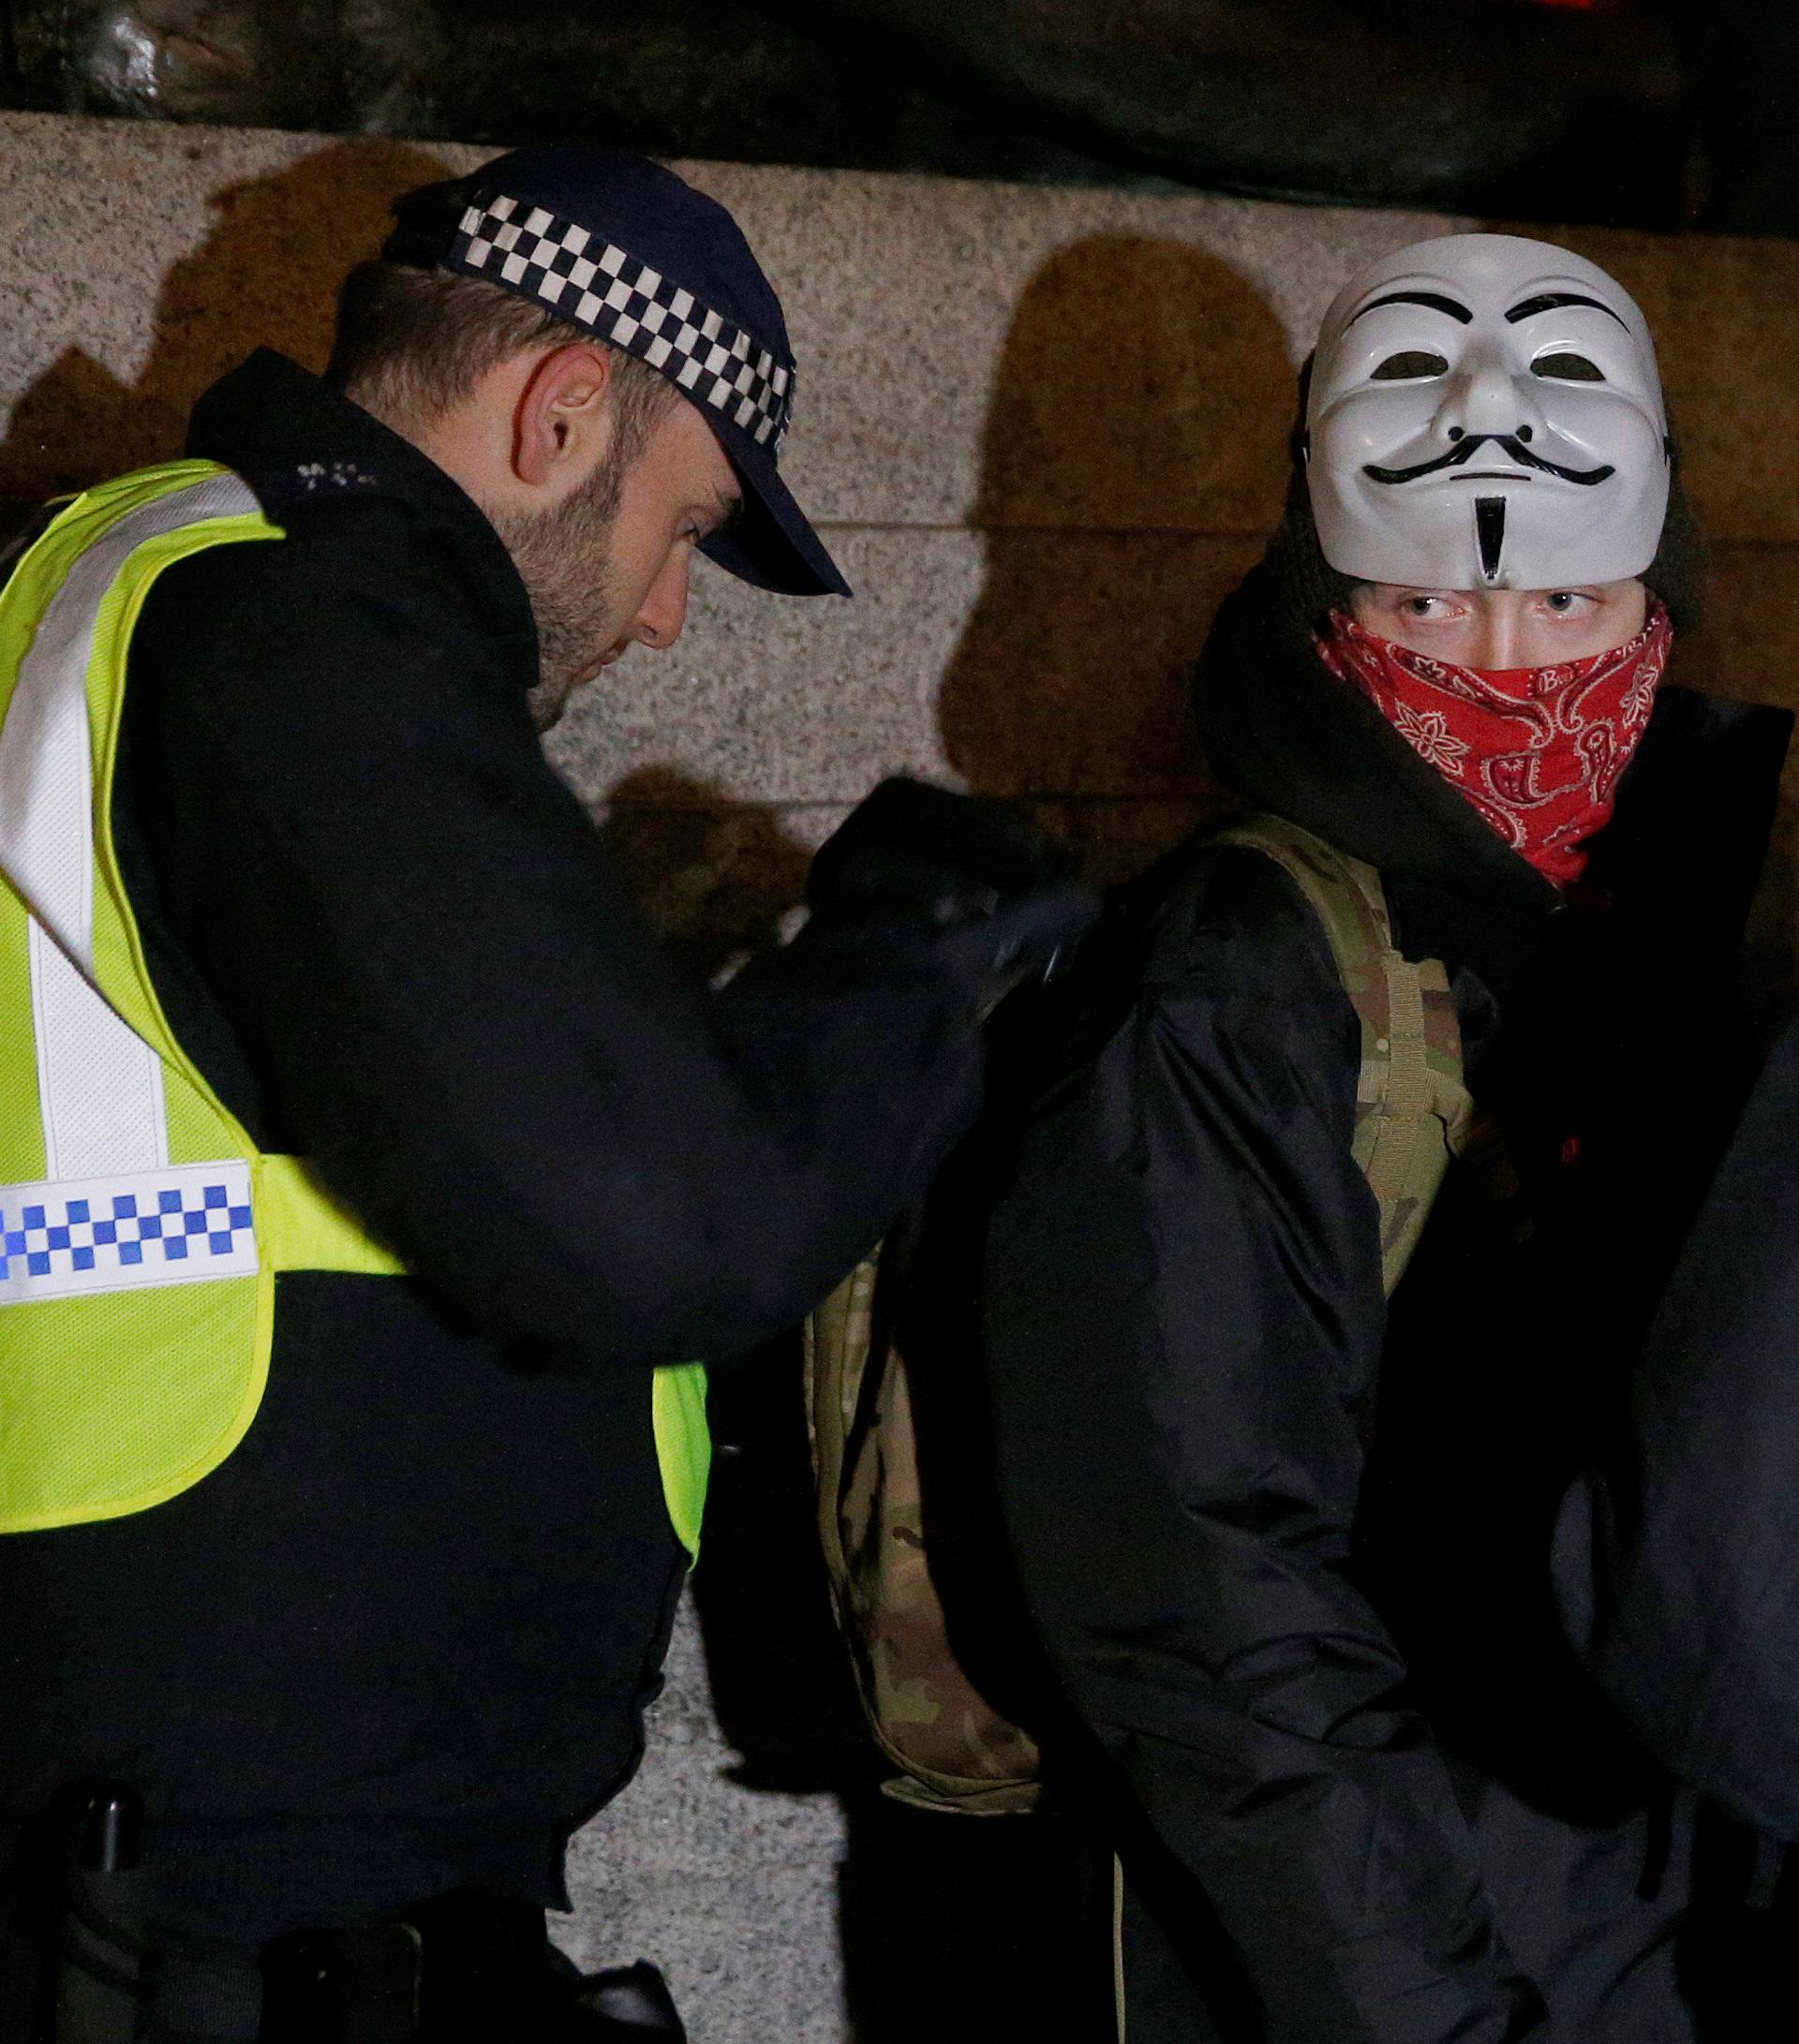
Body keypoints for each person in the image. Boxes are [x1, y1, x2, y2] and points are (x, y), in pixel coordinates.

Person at [0, 146, 1091, 2042]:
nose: (667, 613)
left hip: (221, 1891)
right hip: (228, 1933)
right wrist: (923, 950)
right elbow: (651, 1218)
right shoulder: (288, 628)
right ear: (562, 407)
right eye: (683, 526)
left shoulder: (145, 589)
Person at [979, 233, 1791, 2040]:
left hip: (1649, 1927)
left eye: (1571, 612)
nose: (1506, 666)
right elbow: (1203, 1599)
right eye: (1427, 614)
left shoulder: (1704, 938)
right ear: (1326, 606)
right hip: (1378, 1953)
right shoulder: (1233, 979)